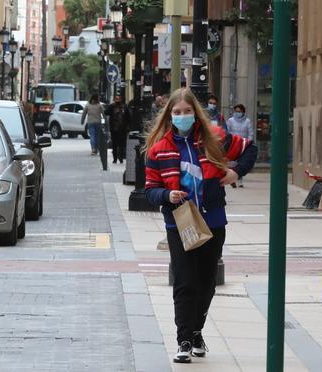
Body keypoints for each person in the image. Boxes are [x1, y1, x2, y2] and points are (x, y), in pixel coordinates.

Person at [143, 88, 257, 364]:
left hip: (213, 220)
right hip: (180, 223)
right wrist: (166, 195)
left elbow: (249, 149)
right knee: (185, 281)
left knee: (206, 282)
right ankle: (183, 340)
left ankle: (196, 332)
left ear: (196, 113)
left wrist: (235, 172)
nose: (182, 116)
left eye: (187, 111)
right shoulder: (159, 150)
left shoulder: (214, 138)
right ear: (170, 115)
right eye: (177, 112)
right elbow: (149, 189)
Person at [106, 94, 132, 164]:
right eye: (116, 99)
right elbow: (106, 112)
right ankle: (115, 158)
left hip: (122, 129)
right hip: (114, 128)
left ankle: (120, 158)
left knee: (121, 144)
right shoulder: (112, 106)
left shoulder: (124, 107)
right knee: (114, 144)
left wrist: (128, 126)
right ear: (114, 100)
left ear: (121, 100)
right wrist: (109, 107)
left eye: (119, 99)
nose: (117, 100)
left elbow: (128, 117)